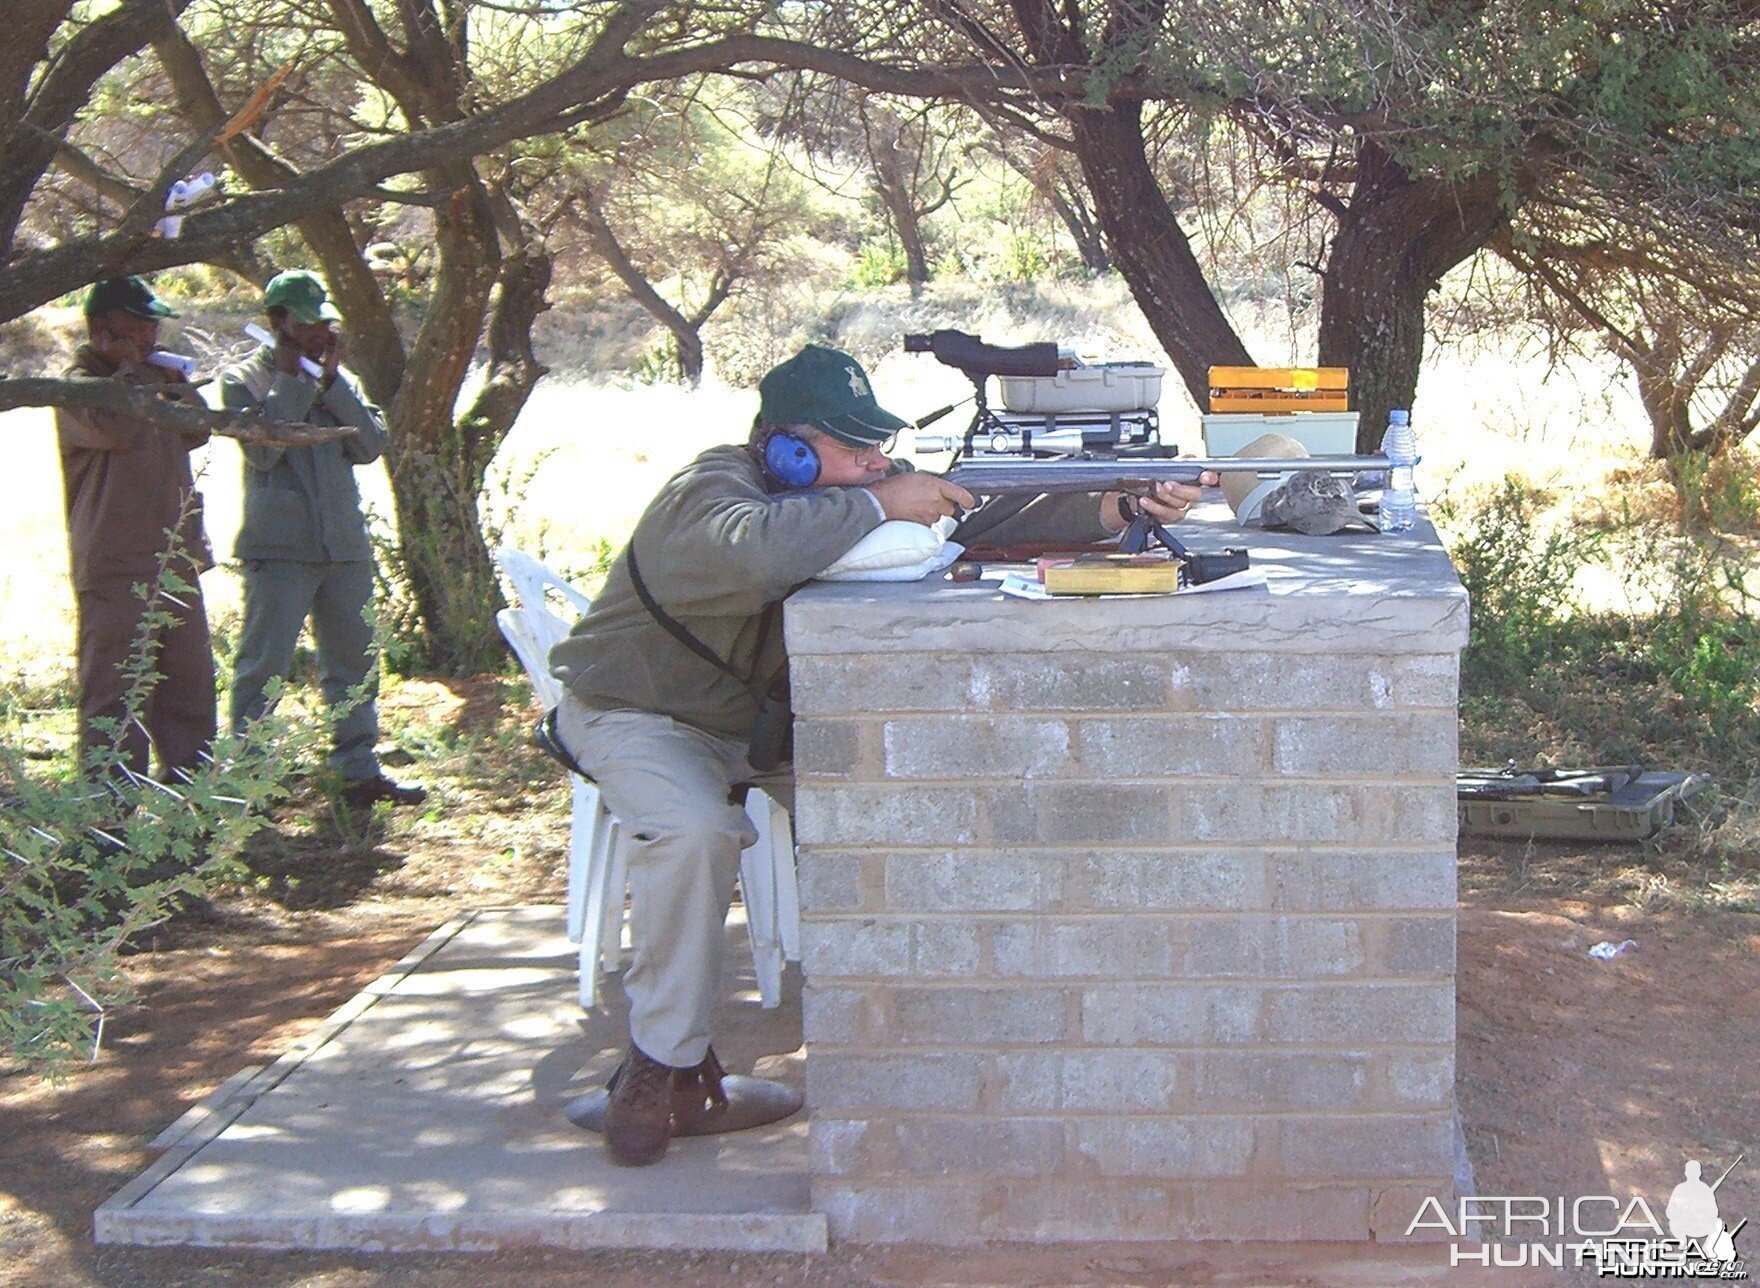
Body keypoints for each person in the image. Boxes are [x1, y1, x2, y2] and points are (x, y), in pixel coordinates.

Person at [545, 343, 1212, 1166]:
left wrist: (1116, 507)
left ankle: (928, 1043)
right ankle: (663, 1064)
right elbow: (750, 549)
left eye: (876, 449)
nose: (873, 464)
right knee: (695, 836)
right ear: (784, 447)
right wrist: (880, 502)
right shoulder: (711, 487)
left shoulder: (844, 492)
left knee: (906, 802)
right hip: (641, 714)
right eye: (853, 449)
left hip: (759, 729)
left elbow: (977, 516)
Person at [218, 269, 424, 808]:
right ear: (278, 322)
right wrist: (291, 382)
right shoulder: (245, 381)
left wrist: (332, 384)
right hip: (280, 548)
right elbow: (263, 451)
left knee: (353, 663)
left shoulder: (336, 378)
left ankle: (357, 771)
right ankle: (250, 781)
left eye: (323, 323)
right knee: (264, 665)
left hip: (344, 547)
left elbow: (371, 444)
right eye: (307, 324)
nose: (319, 334)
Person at [56, 275, 216, 786]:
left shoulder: (155, 375)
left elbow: (197, 429)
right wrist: (131, 370)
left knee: (188, 695)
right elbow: (116, 427)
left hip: (176, 560)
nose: (152, 333)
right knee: (115, 700)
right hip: (116, 568)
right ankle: (108, 828)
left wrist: (172, 380)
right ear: (104, 328)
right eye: (140, 324)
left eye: (154, 324)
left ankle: (190, 822)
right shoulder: (77, 386)